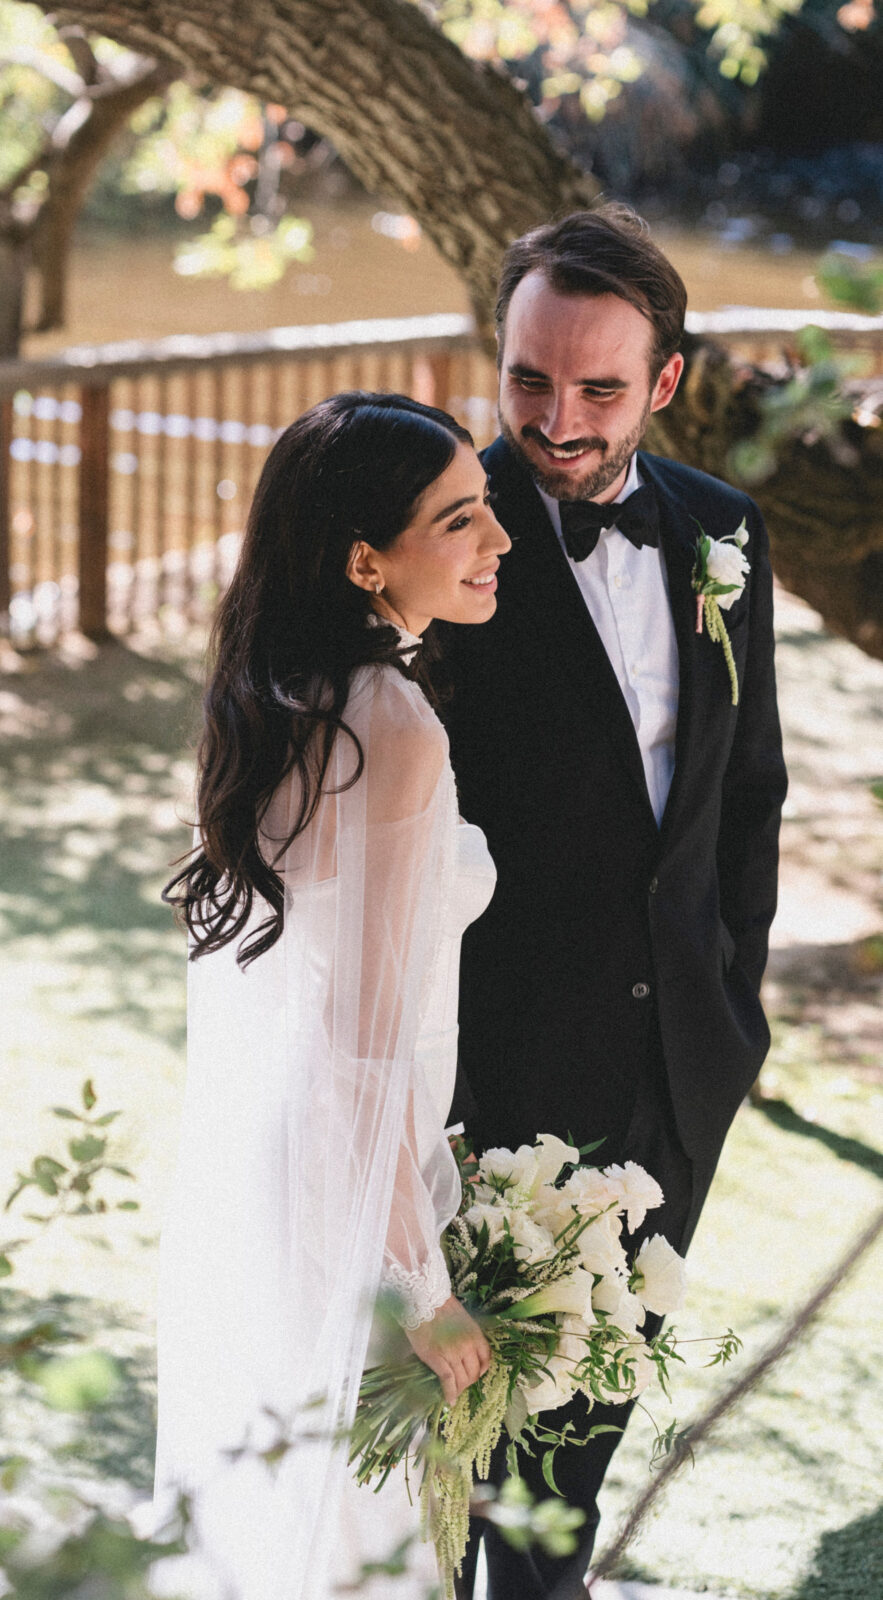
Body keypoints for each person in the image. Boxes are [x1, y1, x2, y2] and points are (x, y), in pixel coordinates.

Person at [441, 204, 787, 1600]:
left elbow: (744, 792)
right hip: (490, 1081)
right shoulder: (428, 536)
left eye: (596, 387)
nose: (556, 418)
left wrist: (733, 1014)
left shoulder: (720, 532)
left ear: (663, 382)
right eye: (528, 378)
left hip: (672, 1082)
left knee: (563, 1478)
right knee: (445, 1465)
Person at [154, 392, 510, 1599]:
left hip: (286, 1147)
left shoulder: (284, 685)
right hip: (346, 1178)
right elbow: (362, 1041)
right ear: (368, 558)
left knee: (284, 1513)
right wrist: (423, 1284)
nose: (496, 540)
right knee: (353, 1542)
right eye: (459, 520)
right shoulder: (393, 720)